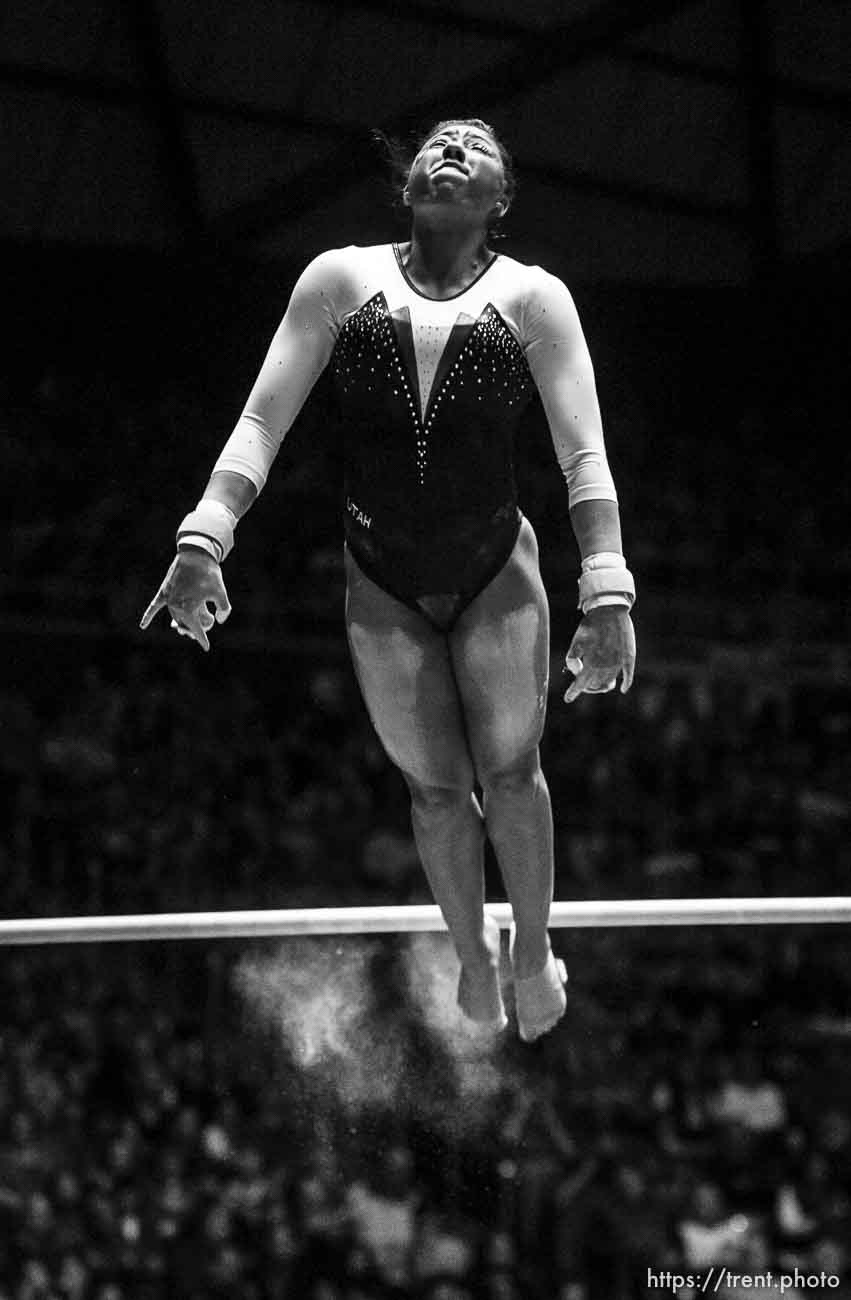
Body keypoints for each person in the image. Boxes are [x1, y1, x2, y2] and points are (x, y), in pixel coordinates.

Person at [140, 117, 636, 1042]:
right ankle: (473, 953)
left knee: (511, 768)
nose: (450, 147)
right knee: (438, 791)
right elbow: (261, 423)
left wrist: (606, 595)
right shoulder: (338, 280)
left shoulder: (533, 297)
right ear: (405, 183)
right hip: (381, 575)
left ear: (501, 200)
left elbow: (584, 458)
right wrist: (203, 537)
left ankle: (532, 947)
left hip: (494, 567)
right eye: (437, 141)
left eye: (476, 145)